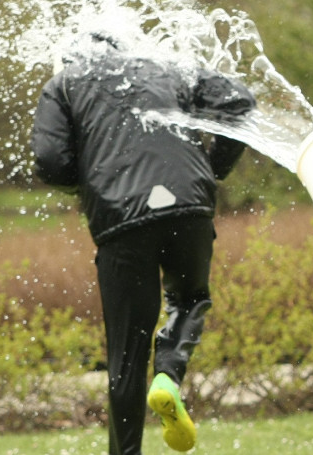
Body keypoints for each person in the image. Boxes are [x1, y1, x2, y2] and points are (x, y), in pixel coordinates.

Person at [31, 32, 255, 455]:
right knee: (189, 299)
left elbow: (50, 162)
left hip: (122, 219)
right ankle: (169, 375)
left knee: (126, 356)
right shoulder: (165, 66)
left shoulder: (63, 83)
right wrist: (210, 169)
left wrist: (90, 176)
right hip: (190, 205)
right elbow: (238, 100)